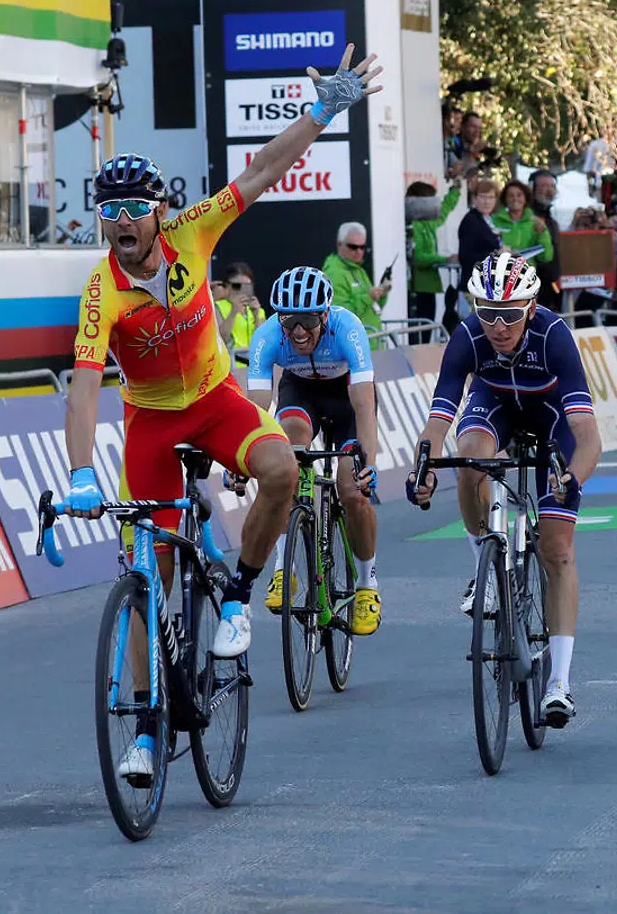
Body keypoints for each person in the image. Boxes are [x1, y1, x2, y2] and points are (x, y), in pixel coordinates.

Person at [66, 44, 382, 784]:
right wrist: (82, 470)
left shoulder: (193, 233)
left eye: (133, 209)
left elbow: (263, 169)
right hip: (150, 424)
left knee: (281, 470)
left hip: (216, 401)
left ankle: (238, 594)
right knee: (148, 579)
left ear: (159, 213)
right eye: (108, 210)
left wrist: (321, 112)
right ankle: (145, 732)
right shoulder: (99, 289)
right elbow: (83, 388)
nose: (120, 221)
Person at [406, 250, 603, 727]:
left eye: (509, 315)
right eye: (487, 312)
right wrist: (424, 466)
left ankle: (558, 683)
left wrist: (571, 477)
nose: (497, 326)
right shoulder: (468, 336)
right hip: (494, 403)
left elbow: (588, 436)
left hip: (550, 413)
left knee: (557, 551)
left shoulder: (554, 336)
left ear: (530, 308)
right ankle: (484, 564)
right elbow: (438, 421)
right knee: (469, 454)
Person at [243, 267, 384, 634]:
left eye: (307, 320)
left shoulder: (348, 328)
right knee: (283, 458)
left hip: (347, 400)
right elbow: (257, 410)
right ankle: (282, 571)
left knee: (351, 489)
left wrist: (368, 462)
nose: (298, 332)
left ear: (324, 315)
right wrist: (240, 461)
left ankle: (368, 584)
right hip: (300, 395)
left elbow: (365, 406)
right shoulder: (268, 336)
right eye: (289, 322)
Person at [406, 180, 463, 342]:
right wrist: (445, 258)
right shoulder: (412, 225)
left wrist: (456, 189)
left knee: (426, 333)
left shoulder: (428, 221)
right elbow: (417, 257)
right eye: (431, 200)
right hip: (416, 290)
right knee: (418, 338)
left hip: (428, 287)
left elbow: (445, 209)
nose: (434, 205)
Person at [323, 221, 389, 349]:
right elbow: (339, 314)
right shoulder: (334, 274)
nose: (359, 251)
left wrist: (382, 294)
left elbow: (373, 307)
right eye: (353, 247)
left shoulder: (359, 270)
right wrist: (368, 297)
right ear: (339, 245)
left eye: (362, 247)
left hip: (373, 346)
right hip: (355, 351)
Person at [454, 178, 504, 333]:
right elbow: (467, 256)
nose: (487, 201)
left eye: (491, 197)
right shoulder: (471, 221)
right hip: (474, 288)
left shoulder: (487, 220)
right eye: (482, 197)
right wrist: (497, 254)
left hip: (487, 286)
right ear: (474, 198)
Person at [493, 179, 553, 263]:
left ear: (525, 198)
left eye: (519, 195)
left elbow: (546, 257)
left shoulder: (535, 222)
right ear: (505, 199)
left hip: (526, 273)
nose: (515, 199)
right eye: (510, 195)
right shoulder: (494, 221)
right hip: (501, 272)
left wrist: (543, 233)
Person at [211, 262, 266, 351]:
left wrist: (256, 316)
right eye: (237, 286)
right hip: (232, 363)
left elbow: (263, 342)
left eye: (247, 286)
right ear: (227, 286)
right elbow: (221, 341)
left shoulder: (257, 309)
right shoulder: (217, 307)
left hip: (253, 363)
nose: (242, 290)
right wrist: (234, 311)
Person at [529, 170, 564, 311]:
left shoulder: (551, 219)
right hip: (534, 287)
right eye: (544, 186)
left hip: (552, 287)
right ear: (532, 188)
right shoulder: (528, 217)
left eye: (551, 186)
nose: (549, 190)